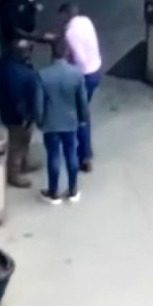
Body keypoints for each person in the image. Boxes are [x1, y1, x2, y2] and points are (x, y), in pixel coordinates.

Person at [35, 37, 89, 204]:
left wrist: (40, 120)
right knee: (71, 153)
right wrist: (83, 118)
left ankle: (53, 192)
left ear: (52, 53)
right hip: (70, 122)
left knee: (53, 156)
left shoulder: (43, 75)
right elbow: (82, 100)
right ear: (67, 52)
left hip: (51, 123)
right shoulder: (76, 74)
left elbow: (38, 103)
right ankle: (73, 190)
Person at [59, 3, 102, 172]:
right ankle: (85, 150)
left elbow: (79, 59)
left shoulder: (70, 32)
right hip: (97, 69)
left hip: (84, 75)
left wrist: (67, 61)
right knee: (83, 112)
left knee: (80, 116)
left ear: (65, 15)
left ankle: (84, 155)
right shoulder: (86, 21)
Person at [0, 38, 41, 188]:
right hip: (20, 117)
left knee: (24, 140)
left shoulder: (3, 63)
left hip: (6, 110)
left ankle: (24, 162)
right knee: (17, 144)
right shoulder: (26, 74)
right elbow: (21, 100)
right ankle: (14, 174)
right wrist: (27, 117)